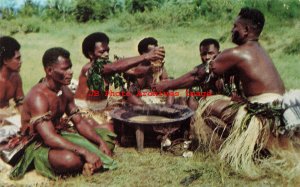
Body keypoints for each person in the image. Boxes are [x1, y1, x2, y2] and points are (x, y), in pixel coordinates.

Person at [7, 47, 117, 179]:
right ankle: (83, 162)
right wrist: (84, 151)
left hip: (59, 135)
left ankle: (89, 161)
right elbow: (49, 137)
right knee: (70, 159)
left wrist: (100, 142)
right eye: (65, 69)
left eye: (70, 67)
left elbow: (79, 121)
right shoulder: (38, 97)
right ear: (49, 70)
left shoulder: (65, 91)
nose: (70, 72)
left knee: (107, 138)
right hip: (38, 144)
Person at [74, 33, 165, 124]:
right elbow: (116, 67)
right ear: (91, 54)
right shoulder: (90, 68)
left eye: (107, 51)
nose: (106, 54)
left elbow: (136, 72)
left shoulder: (107, 66)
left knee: (129, 105)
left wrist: (153, 66)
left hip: (102, 108)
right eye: (102, 52)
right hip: (86, 112)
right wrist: (146, 56)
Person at [152, 38, 241, 111]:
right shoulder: (199, 70)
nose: (207, 57)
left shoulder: (228, 69)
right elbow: (188, 84)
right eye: (203, 54)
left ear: (219, 53)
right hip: (206, 103)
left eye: (210, 53)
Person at [126, 37, 174, 105]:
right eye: (152, 53)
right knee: (128, 94)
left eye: (156, 53)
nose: (155, 55)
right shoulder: (136, 67)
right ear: (143, 54)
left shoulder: (159, 66)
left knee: (170, 86)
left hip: (157, 98)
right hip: (140, 101)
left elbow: (166, 83)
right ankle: (146, 109)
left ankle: (168, 108)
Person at [0, 36, 24, 143]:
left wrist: (25, 120)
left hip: (9, 118)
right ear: (5, 60)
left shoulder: (16, 78)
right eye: (17, 58)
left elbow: (20, 103)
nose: (21, 62)